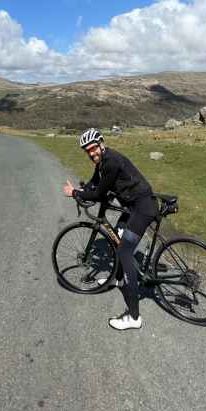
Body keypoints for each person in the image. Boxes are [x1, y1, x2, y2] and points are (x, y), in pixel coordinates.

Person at [63, 127, 158, 331]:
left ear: (101, 144)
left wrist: (75, 193)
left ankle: (134, 317)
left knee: (124, 251)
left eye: (93, 148)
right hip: (133, 207)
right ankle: (117, 278)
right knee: (117, 237)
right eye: (87, 151)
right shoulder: (103, 162)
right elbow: (94, 183)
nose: (91, 153)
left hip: (142, 208)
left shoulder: (111, 162)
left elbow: (99, 194)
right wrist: (81, 190)